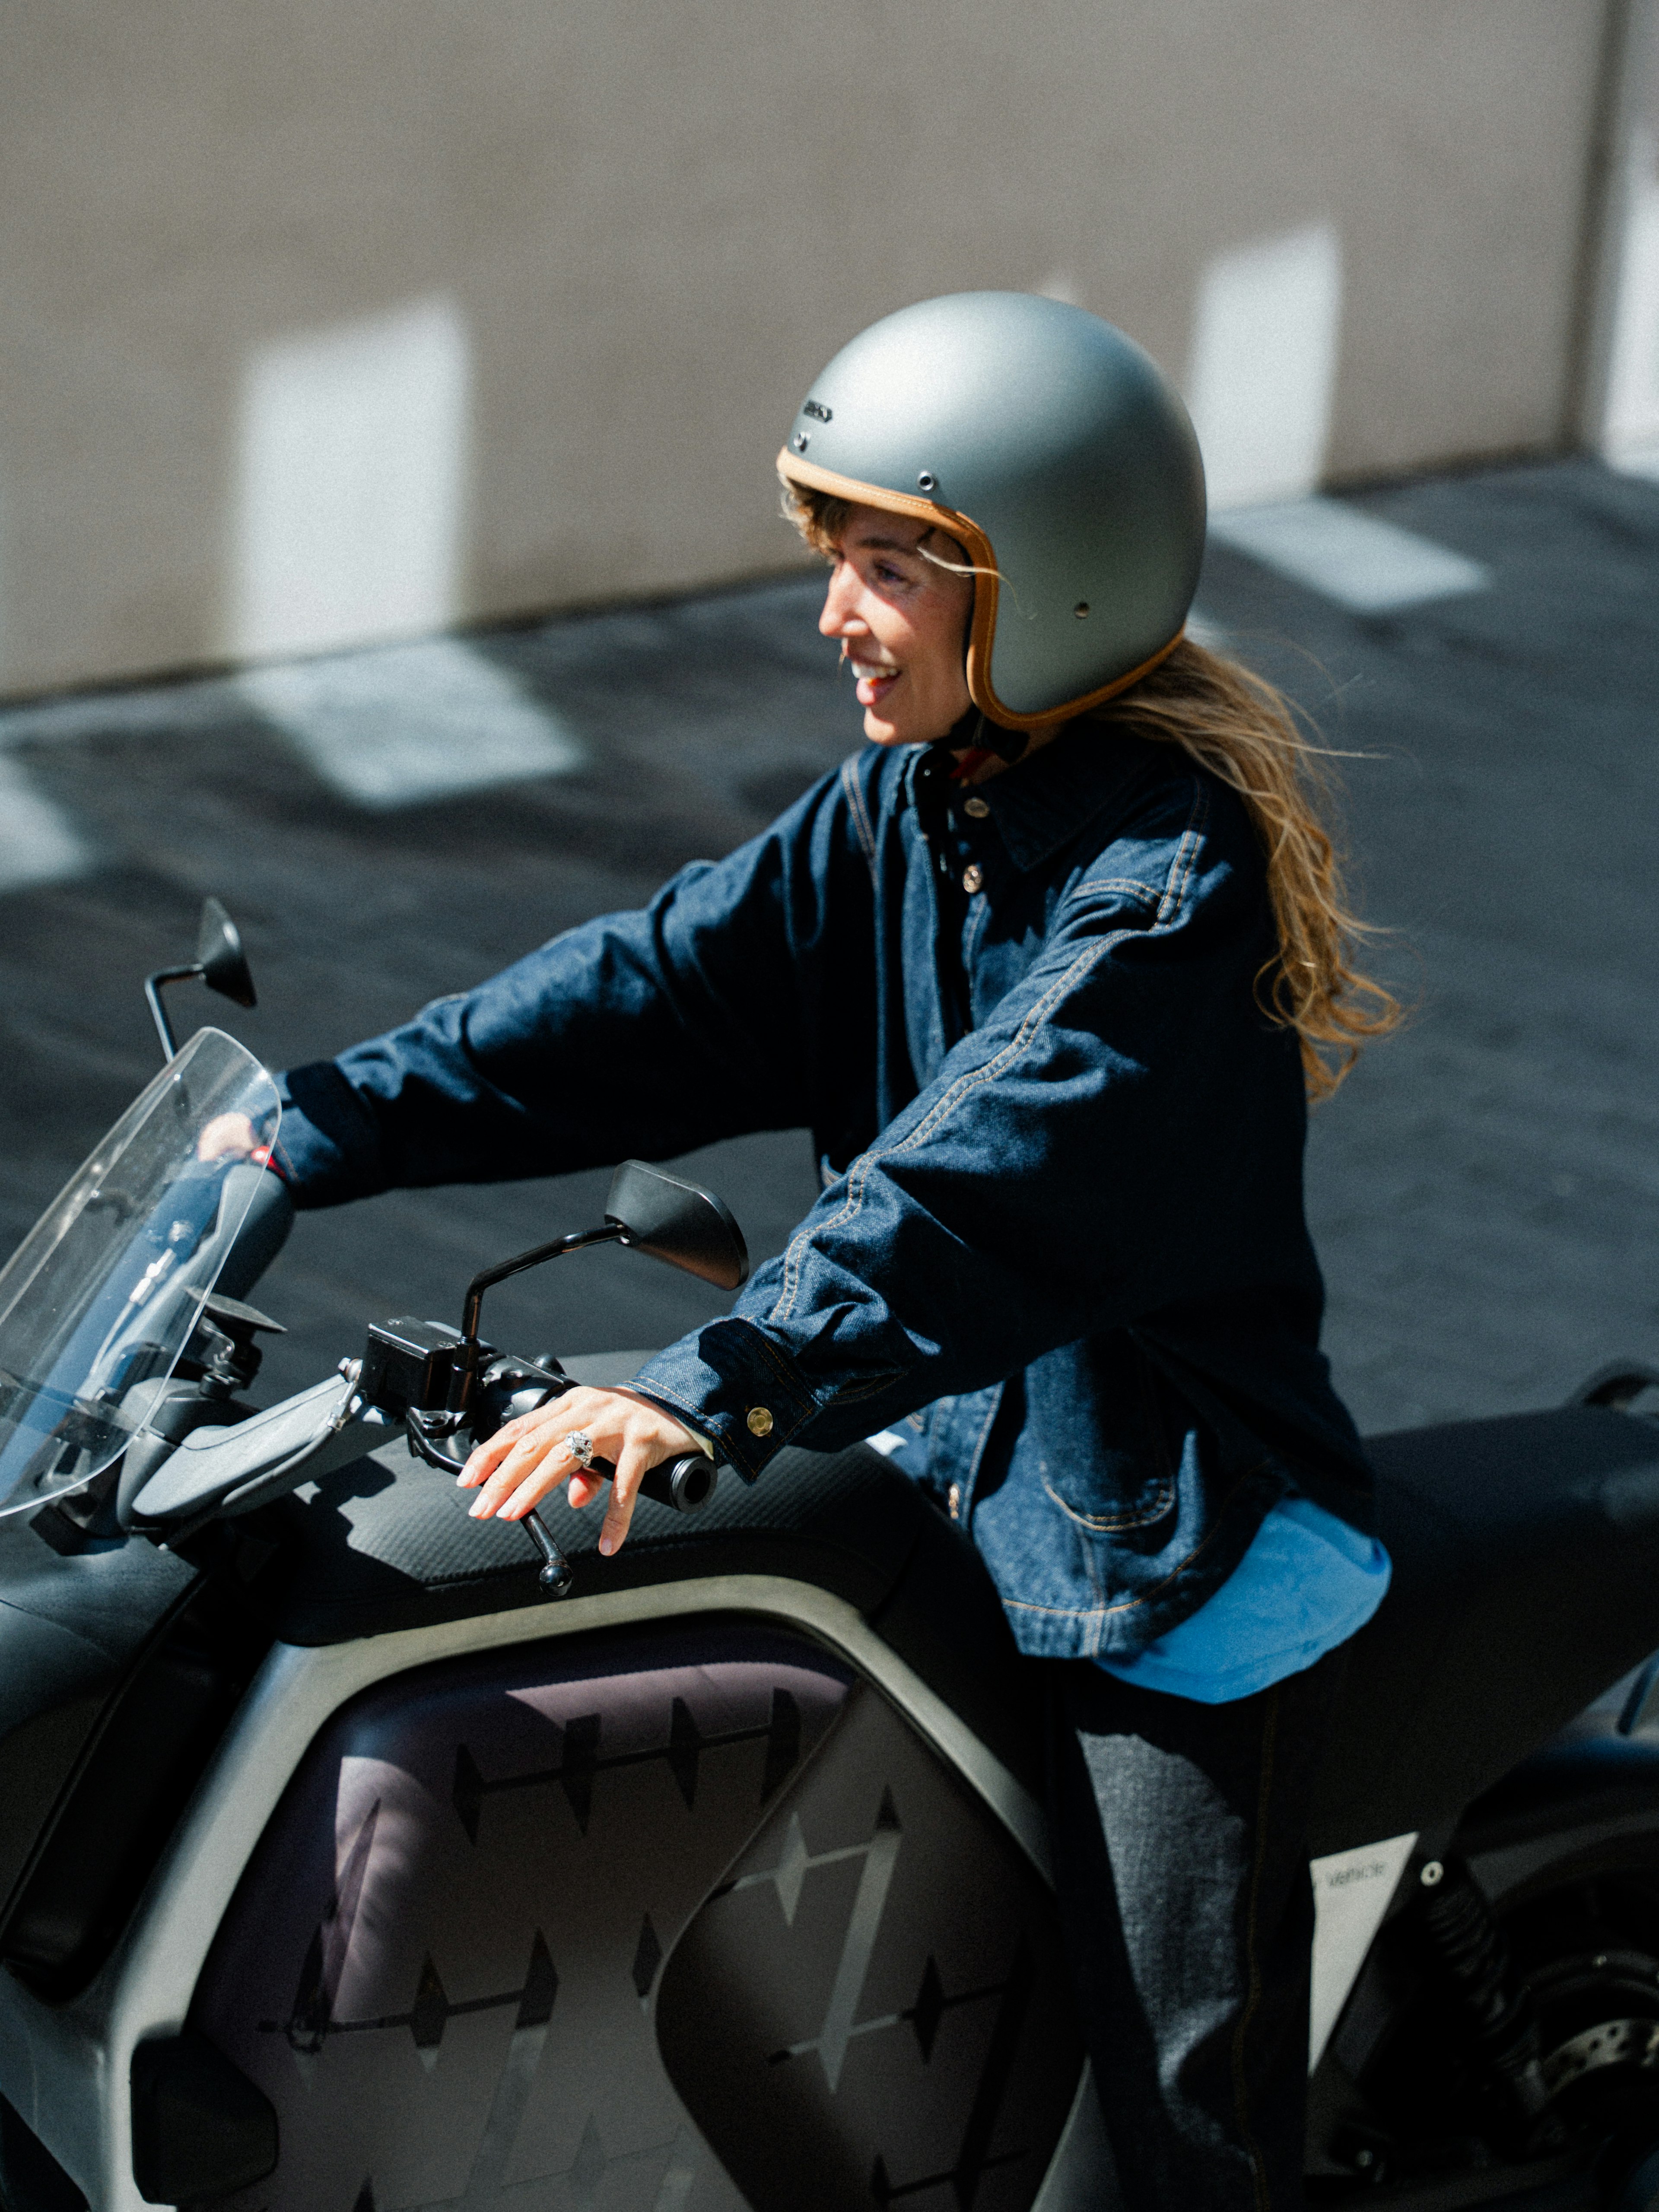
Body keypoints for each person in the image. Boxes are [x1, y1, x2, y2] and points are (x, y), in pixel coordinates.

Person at [254, 292, 1401, 2209]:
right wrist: (319, 1118)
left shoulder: (1165, 891)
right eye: (838, 556)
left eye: (888, 566)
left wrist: (717, 1377)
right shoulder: (914, 803)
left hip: (1161, 1550)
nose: (834, 614)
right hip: (939, 1468)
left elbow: (977, 1173)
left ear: (1047, 582)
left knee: (1176, 2128)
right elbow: (645, 991)